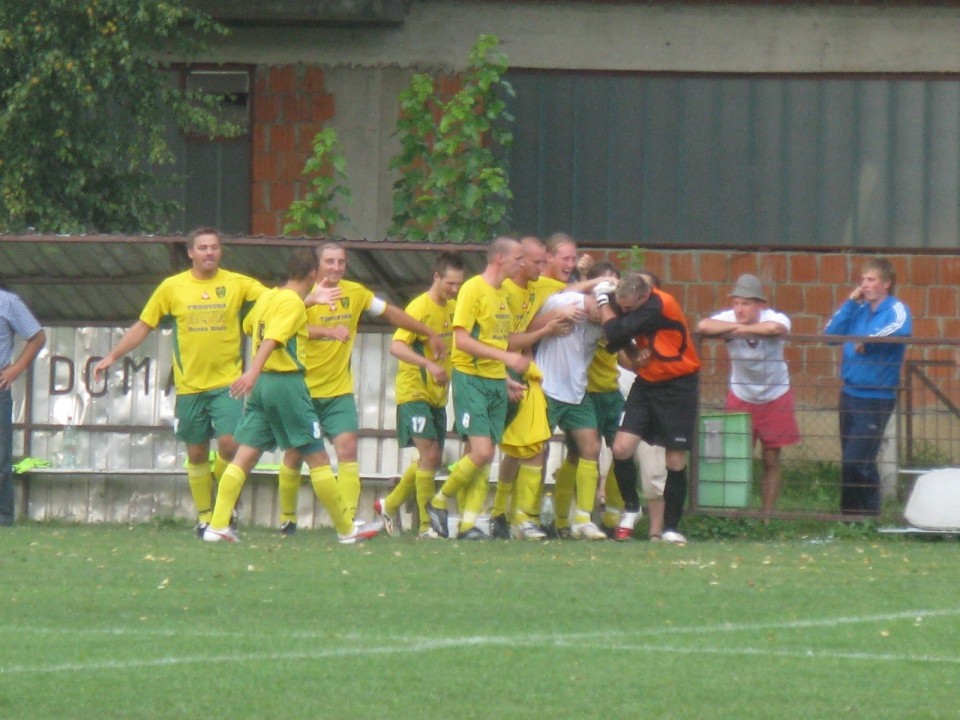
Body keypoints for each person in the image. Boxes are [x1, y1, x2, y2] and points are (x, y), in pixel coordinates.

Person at [93, 228, 266, 536]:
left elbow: (276, 301)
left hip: (228, 381)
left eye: (214, 247)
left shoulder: (236, 284)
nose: (209, 252)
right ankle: (205, 517)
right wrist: (112, 356)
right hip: (189, 385)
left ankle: (223, 511)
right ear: (191, 253)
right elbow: (144, 325)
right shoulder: (172, 287)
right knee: (196, 452)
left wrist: (309, 298)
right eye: (203, 248)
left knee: (230, 443)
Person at [202, 248, 379, 544]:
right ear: (313, 274)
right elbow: (273, 338)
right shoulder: (292, 305)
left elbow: (250, 326)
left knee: (245, 455)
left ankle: (217, 525)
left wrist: (309, 301)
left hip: (264, 389)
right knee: (318, 457)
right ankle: (347, 531)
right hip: (286, 384)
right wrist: (252, 372)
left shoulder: (270, 297)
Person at [282, 242, 447, 534]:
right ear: (316, 266)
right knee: (295, 454)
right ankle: (287, 519)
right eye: (330, 262)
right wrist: (328, 331)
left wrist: (427, 331)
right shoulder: (299, 296)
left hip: (338, 391)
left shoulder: (354, 293)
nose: (336, 267)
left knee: (348, 448)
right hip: (301, 388)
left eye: (341, 262)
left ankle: (347, 521)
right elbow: (281, 327)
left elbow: (390, 314)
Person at [425, 236, 530, 539]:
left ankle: (469, 524)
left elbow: (494, 339)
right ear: (500, 259)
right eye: (518, 258)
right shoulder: (473, 289)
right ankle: (439, 500)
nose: (521, 264)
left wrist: (505, 377)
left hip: (494, 381)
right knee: (482, 452)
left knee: (483, 455)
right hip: (470, 379)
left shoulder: (504, 294)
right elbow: (464, 341)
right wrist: (507, 358)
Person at [596, 271, 701, 544]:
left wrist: (603, 305)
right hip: (647, 383)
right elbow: (617, 342)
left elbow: (614, 331)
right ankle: (632, 506)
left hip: (678, 385)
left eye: (629, 307)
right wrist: (633, 353)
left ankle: (670, 528)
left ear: (644, 296)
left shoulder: (657, 305)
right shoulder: (633, 304)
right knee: (620, 448)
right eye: (622, 305)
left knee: (675, 459)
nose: (624, 310)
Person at [374, 252, 465, 539]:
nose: (454, 289)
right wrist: (427, 363)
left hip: (437, 396)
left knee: (432, 459)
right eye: (450, 283)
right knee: (431, 454)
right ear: (436, 277)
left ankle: (388, 505)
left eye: (459, 284)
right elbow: (397, 347)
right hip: (413, 392)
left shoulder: (453, 309)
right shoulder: (419, 308)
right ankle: (427, 527)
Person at [490, 236, 573, 541]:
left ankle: (517, 517)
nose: (542, 267)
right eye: (536, 262)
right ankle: (492, 514)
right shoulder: (503, 291)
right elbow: (510, 339)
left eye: (543, 261)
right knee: (486, 449)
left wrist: (598, 282)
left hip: (523, 372)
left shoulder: (539, 286)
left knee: (530, 446)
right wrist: (547, 328)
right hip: (494, 371)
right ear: (520, 260)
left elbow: (570, 291)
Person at [697, 273, 801, 516]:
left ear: (760, 305)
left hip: (775, 395)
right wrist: (738, 327)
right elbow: (703, 326)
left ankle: (766, 516)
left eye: (746, 303)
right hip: (741, 394)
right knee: (734, 458)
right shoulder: (730, 319)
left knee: (770, 459)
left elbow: (775, 327)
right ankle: (734, 513)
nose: (739, 309)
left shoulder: (773, 317)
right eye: (736, 303)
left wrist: (739, 330)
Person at [825, 258, 911, 517]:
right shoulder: (858, 310)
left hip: (876, 396)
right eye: (863, 279)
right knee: (852, 460)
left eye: (871, 279)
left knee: (857, 458)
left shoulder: (896, 309)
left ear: (886, 283)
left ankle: (868, 516)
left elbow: (900, 328)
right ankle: (852, 518)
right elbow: (830, 334)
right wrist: (851, 302)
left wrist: (869, 340)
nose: (865, 284)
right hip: (850, 393)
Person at [533, 268, 613, 540]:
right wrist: (557, 316)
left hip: (577, 392)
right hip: (547, 388)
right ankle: (527, 516)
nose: (600, 318)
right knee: (535, 450)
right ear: (592, 299)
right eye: (600, 309)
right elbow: (527, 325)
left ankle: (583, 519)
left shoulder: (604, 325)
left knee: (591, 447)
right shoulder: (565, 303)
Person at [0, 289, 46, 527]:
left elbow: (37, 336)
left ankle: (3, 518)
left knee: (0, 457)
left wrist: (15, 369)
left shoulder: (7, 302)